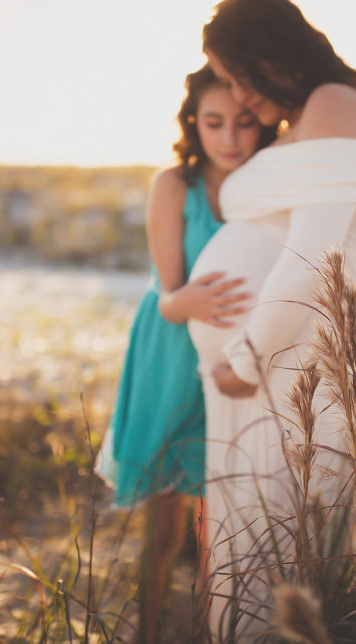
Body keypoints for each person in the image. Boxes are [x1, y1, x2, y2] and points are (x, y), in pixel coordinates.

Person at [186, 0, 356, 641]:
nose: (240, 96)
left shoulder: (334, 104)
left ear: (271, 50)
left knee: (293, 569)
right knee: (265, 560)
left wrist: (246, 357)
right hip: (283, 359)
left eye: (239, 75)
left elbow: (317, 250)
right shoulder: (314, 115)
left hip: (296, 363)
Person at [95, 64, 272, 644]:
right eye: (213, 122)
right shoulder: (173, 185)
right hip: (171, 353)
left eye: (244, 122)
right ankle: (146, 631)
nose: (229, 138)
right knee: (165, 520)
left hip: (240, 361)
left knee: (217, 517)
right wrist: (190, 299)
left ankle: (209, 630)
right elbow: (168, 298)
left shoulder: (273, 183)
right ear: (192, 123)